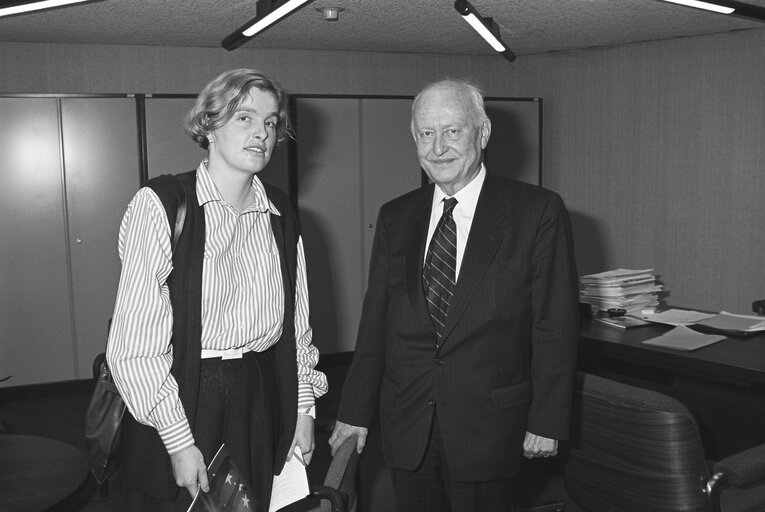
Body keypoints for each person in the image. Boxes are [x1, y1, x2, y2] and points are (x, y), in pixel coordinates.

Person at [328, 79, 579, 511]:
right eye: (426, 133)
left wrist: (548, 419)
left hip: (490, 426)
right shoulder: (396, 215)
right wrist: (353, 411)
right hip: (408, 422)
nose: (438, 147)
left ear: (482, 134)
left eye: (452, 131)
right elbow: (376, 323)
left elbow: (554, 324)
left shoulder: (537, 212)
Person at [106, 68, 328, 512]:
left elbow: (297, 328)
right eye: (244, 118)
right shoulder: (162, 204)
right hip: (186, 392)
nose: (261, 133)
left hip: (262, 392)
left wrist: (304, 407)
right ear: (208, 125)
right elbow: (133, 348)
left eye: (270, 122)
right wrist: (178, 441)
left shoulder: (280, 212)